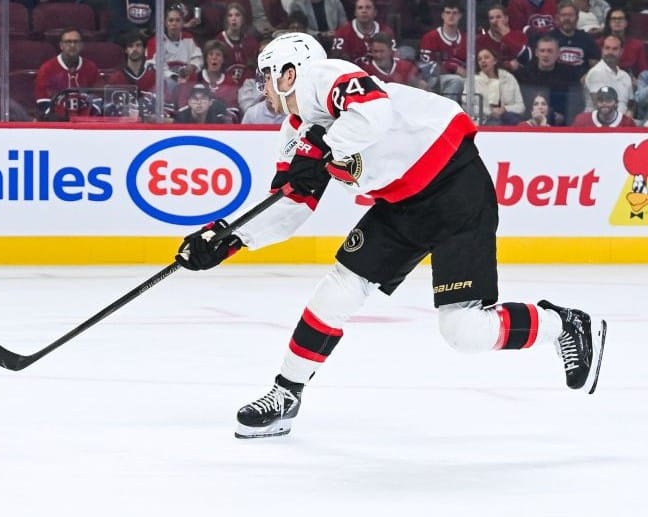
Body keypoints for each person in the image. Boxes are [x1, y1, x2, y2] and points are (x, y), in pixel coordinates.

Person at [174, 32, 606, 439]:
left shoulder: (322, 77)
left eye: (266, 75)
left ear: (290, 73)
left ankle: (564, 324)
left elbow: (373, 112)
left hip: (455, 186)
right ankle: (287, 393)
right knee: (339, 288)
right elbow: (290, 204)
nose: (262, 87)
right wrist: (229, 239)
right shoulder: (295, 133)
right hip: (401, 204)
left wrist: (327, 144)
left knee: (464, 331)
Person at [35, 29, 103, 121]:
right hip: (57, 124)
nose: (72, 45)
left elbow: (98, 100)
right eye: (68, 42)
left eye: (76, 42)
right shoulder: (47, 69)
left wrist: (86, 119)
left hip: (86, 123)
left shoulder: (91, 67)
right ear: (61, 45)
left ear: (81, 45)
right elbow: (43, 103)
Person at [582, 34, 634, 114]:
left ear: (621, 51)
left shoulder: (625, 76)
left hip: (623, 119)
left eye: (614, 49)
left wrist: (630, 113)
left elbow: (631, 104)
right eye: (607, 48)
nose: (610, 52)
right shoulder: (595, 73)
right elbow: (601, 107)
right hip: (599, 120)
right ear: (602, 50)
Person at [472, 47, 526, 124]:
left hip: (507, 119)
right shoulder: (472, 81)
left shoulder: (508, 78)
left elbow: (521, 107)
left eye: (486, 57)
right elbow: (468, 107)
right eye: (479, 59)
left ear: (495, 61)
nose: (483, 61)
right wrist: (490, 112)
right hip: (483, 121)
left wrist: (505, 109)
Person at [330, 0, 394, 63]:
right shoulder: (342, 33)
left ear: (375, 12)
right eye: (360, 8)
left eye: (368, 7)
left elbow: (394, 59)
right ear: (355, 12)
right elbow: (336, 61)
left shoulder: (386, 32)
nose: (364, 11)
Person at [573, 85, 637, 126]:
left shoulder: (627, 123)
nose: (604, 103)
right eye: (601, 100)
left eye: (608, 100)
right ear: (596, 103)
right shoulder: (582, 120)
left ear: (616, 102)